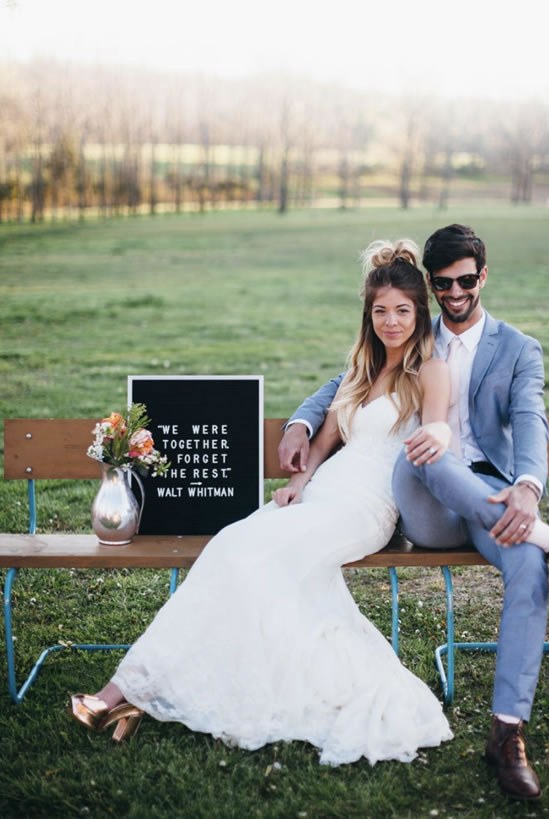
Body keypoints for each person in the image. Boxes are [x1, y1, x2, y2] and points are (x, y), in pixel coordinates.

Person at [70, 239, 455, 765]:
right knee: (233, 548)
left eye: (403, 311)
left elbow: (437, 427)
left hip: (366, 507)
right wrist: (299, 483)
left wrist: (440, 438)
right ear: (369, 315)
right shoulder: (361, 371)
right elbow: (322, 445)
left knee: (246, 555)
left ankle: (120, 695)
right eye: (381, 311)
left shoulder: (430, 370)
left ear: (419, 313)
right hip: (322, 493)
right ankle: (133, 692)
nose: (391, 322)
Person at [278, 224, 549, 799]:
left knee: (527, 570)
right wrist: (300, 423)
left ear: (483, 276)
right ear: (432, 287)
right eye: (444, 283)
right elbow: (345, 381)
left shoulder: (517, 348)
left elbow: (531, 420)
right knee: (424, 451)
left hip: (492, 500)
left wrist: (528, 487)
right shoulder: (410, 330)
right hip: (426, 506)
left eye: (466, 280)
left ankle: (507, 735)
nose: (456, 291)